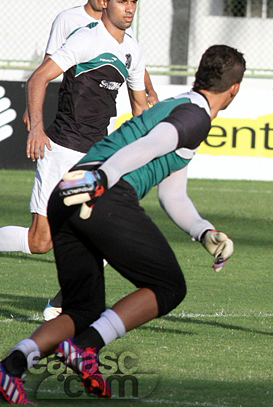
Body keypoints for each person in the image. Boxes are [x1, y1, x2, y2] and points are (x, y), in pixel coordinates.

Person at [0, 45, 243, 405]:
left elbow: (173, 195)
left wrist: (203, 231)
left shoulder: (181, 108)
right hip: (100, 193)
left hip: (66, 189)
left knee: (82, 309)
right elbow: (154, 142)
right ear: (234, 89)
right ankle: (85, 348)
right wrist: (104, 178)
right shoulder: (196, 117)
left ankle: (9, 368)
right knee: (168, 286)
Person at [0, 0, 152, 322]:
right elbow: (39, 77)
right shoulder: (85, 40)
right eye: (122, 2)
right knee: (41, 242)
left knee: (106, 233)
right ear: (105, 1)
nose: (129, 9)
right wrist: (37, 128)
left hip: (97, 158)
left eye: (134, 3)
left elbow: (141, 107)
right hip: (62, 150)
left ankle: (61, 303)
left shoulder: (133, 50)